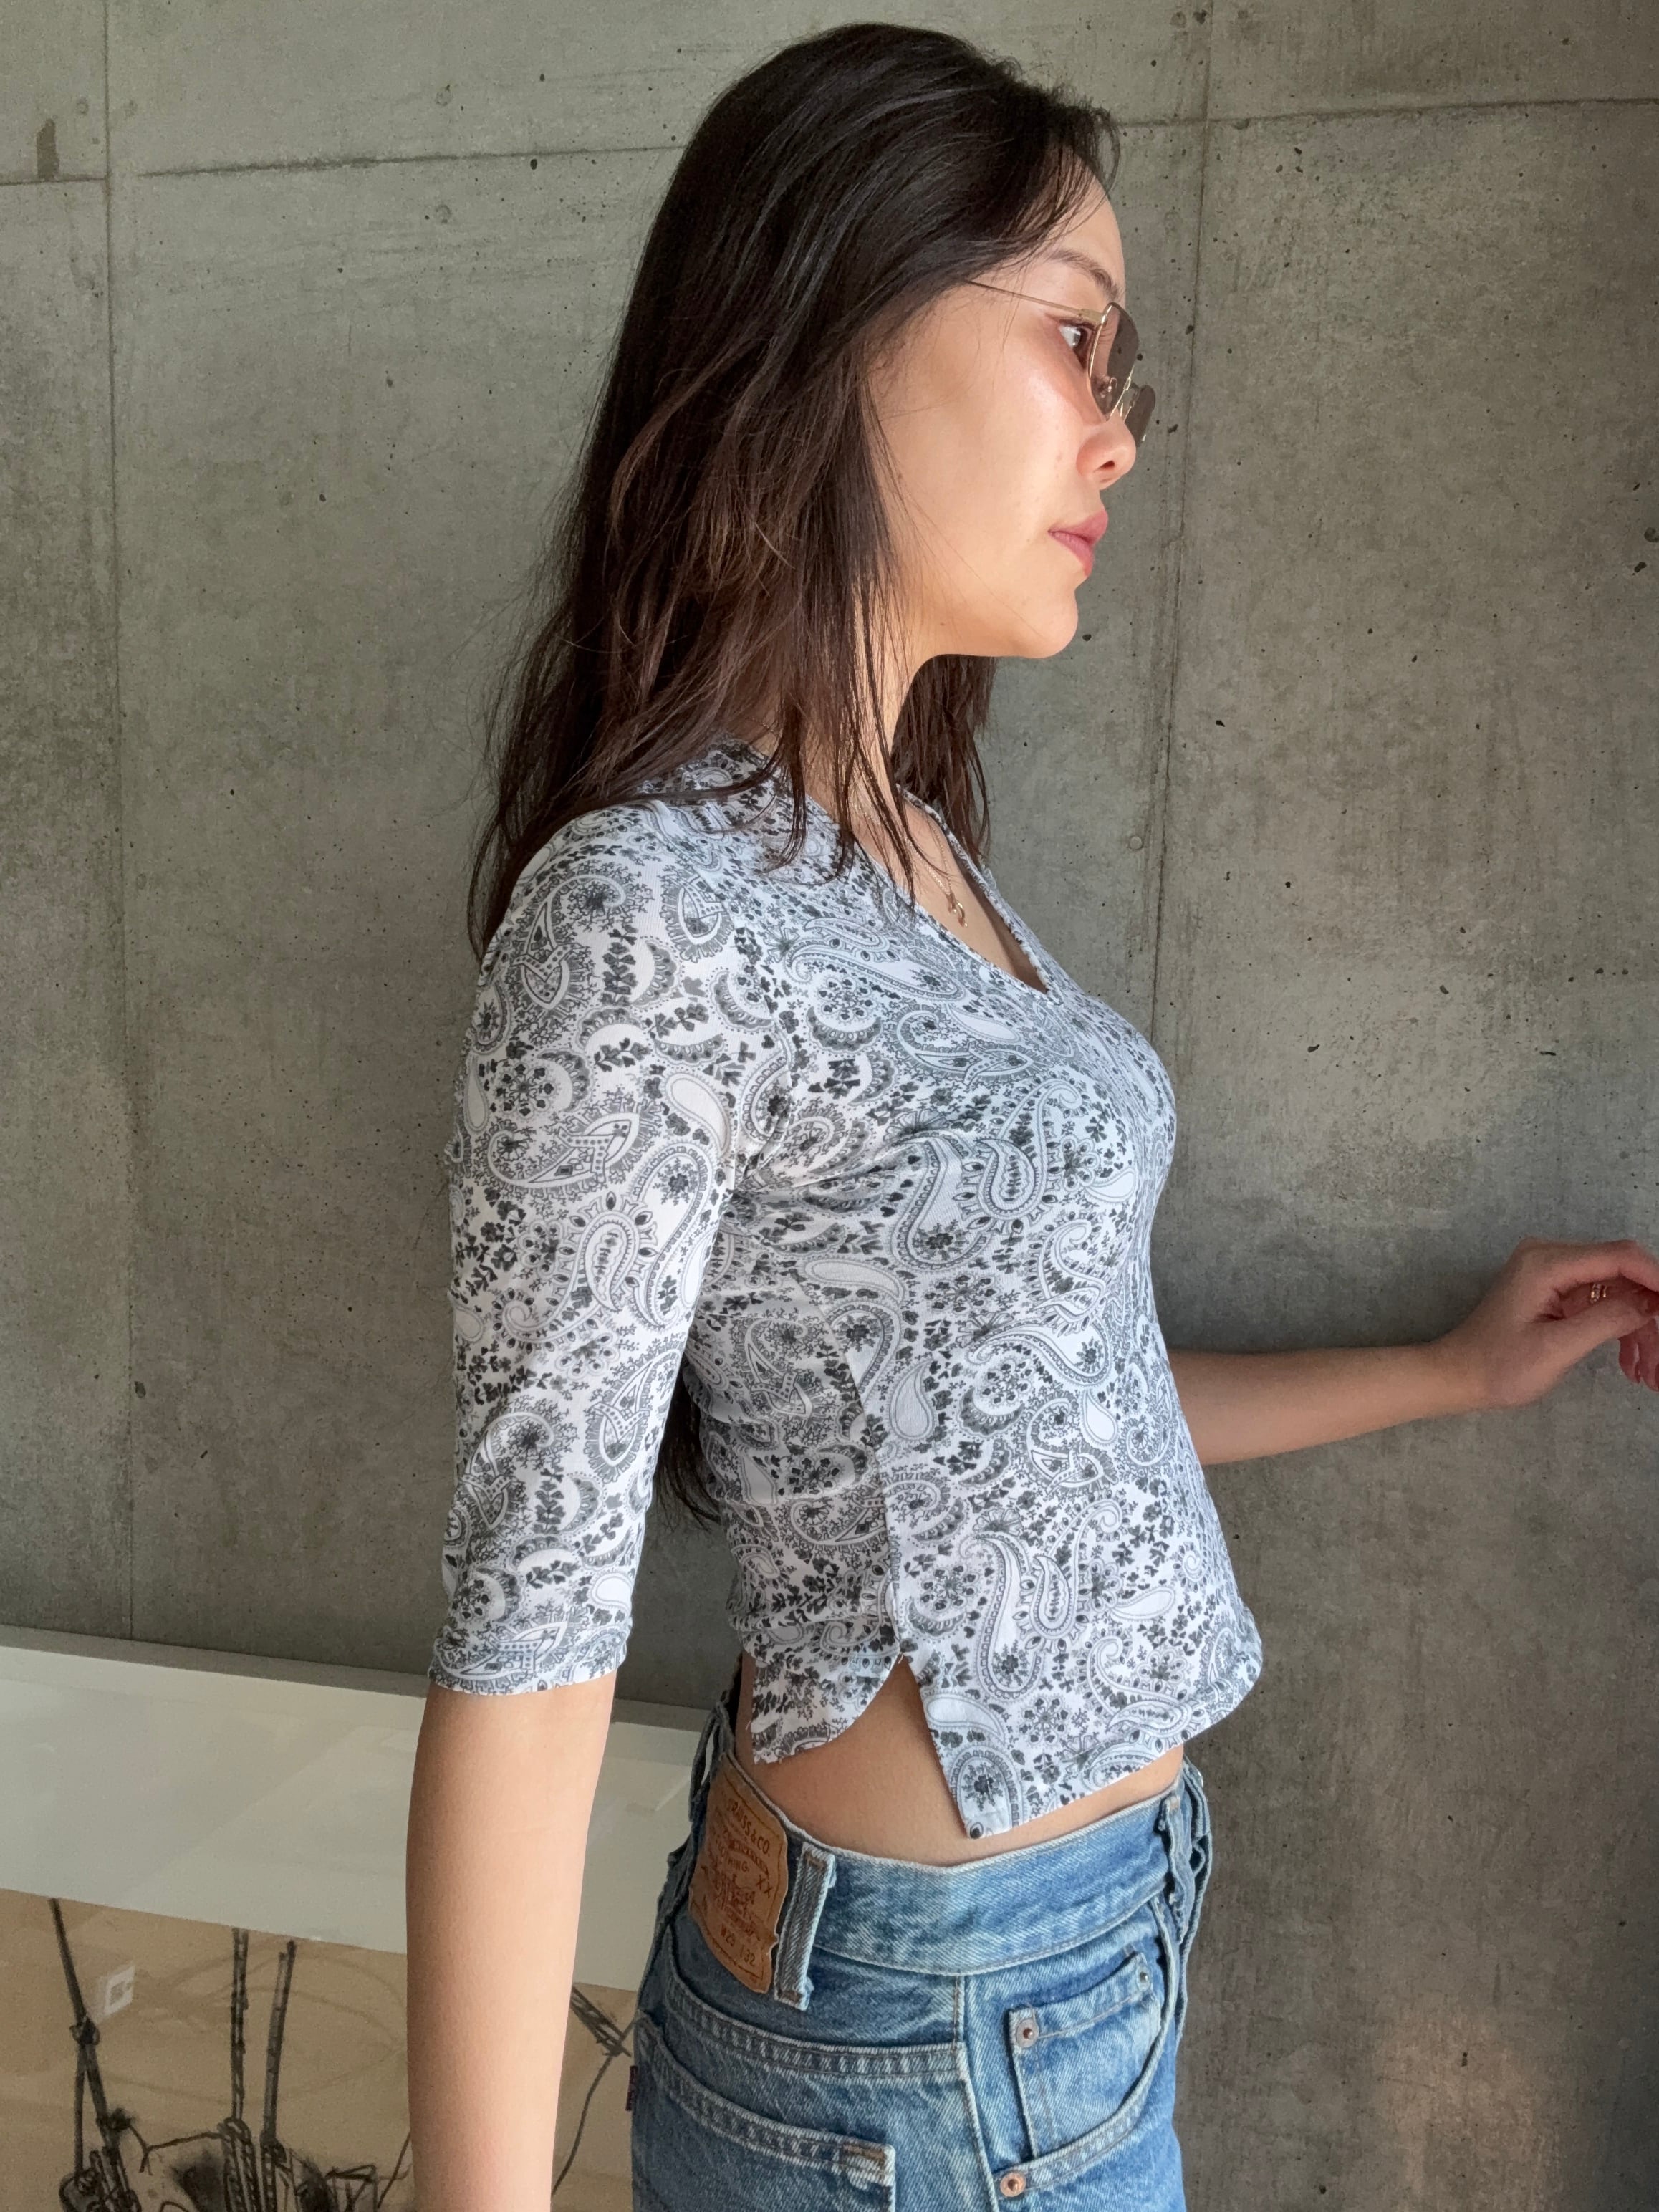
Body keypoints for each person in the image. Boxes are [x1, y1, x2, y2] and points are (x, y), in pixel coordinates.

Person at [403, 24, 1659, 2211]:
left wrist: (1446, 1371)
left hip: (1079, 1958)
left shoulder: (909, 844)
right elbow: (527, 1645)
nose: (1118, 431)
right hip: (917, 2048)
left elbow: (1038, 1405)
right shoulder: (642, 916)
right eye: (1073, 338)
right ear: (828, 321)